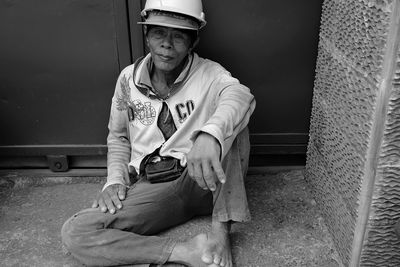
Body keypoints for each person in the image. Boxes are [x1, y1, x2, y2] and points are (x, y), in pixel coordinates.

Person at [61, 0, 255, 266]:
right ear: (146, 36)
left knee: (232, 127)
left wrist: (209, 135)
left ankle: (220, 234)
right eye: (158, 33)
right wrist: (115, 180)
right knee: (77, 232)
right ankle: (184, 252)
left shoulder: (210, 74)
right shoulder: (128, 79)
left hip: (203, 181)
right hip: (156, 186)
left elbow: (240, 95)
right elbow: (118, 136)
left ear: (193, 42)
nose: (167, 44)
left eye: (178, 35)